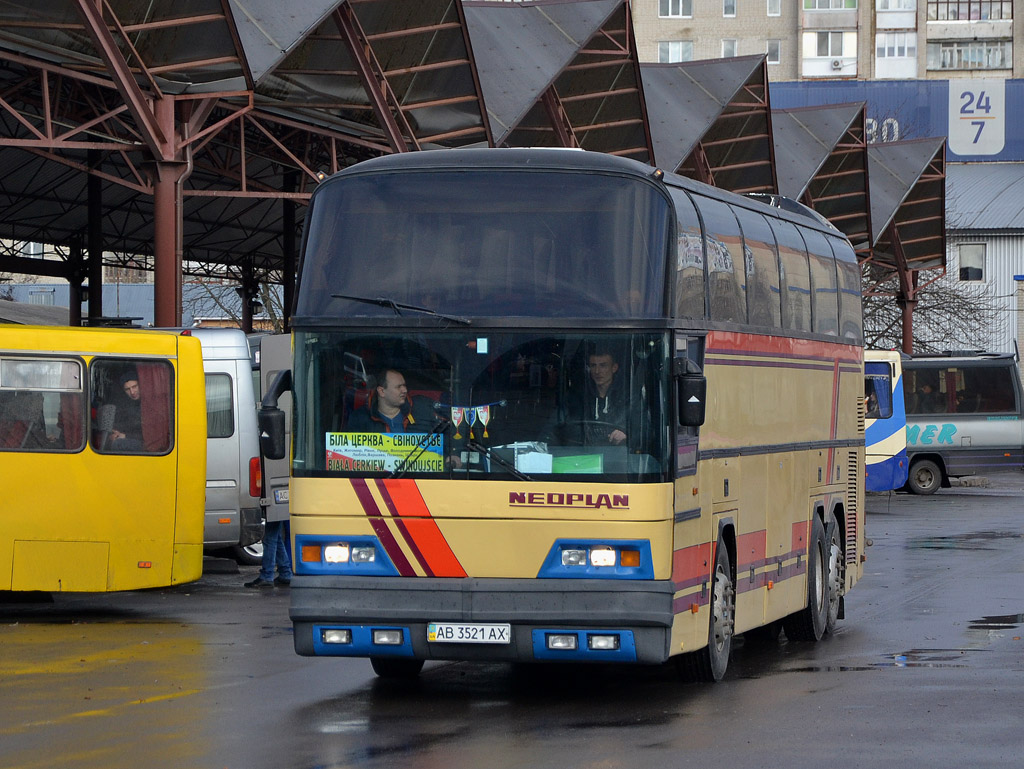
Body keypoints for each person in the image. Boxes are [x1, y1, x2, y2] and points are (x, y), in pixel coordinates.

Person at [569, 348, 630, 445]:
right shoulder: (581, 396)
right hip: (585, 453)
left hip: (619, 453)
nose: (597, 371)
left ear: (614, 368)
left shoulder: (628, 396)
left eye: (603, 365)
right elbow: (570, 425)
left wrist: (626, 435)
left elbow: (641, 428)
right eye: (593, 366)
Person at [347, 368, 424, 434]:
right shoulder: (359, 418)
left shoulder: (420, 412)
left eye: (404, 386)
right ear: (381, 391)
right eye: (398, 387)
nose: (405, 390)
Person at [245, 520, 293, 588]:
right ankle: (285, 573)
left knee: (270, 537)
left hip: (274, 510)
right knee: (276, 537)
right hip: (280, 510)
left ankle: (267, 575)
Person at [108, 370, 143, 450]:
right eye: (127, 389)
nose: (132, 392)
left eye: (134, 387)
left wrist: (125, 436)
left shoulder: (149, 404)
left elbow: (149, 434)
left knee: (118, 444)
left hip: (145, 444)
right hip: (132, 438)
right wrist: (115, 433)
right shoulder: (127, 405)